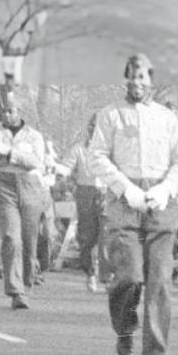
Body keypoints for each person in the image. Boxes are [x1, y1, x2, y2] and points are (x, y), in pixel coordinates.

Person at [89, 52, 178, 355]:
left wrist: (166, 189)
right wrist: (126, 189)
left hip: (160, 202)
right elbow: (97, 157)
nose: (136, 83)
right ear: (125, 79)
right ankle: (124, 330)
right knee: (130, 277)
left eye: (142, 77)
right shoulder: (111, 115)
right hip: (126, 203)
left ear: (151, 80)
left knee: (160, 281)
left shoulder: (166, 118)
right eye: (131, 77)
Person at [0, 88, 47, 312]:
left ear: (20, 111)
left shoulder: (34, 136)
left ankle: (27, 280)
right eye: (4, 112)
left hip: (30, 187)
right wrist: (0, 157)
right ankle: (16, 291)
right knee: (11, 237)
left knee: (29, 242)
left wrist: (10, 154)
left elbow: (36, 161)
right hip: (5, 186)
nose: (7, 116)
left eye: (11, 111)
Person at [63, 115, 106, 293]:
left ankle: (108, 276)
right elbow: (66, 168)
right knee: (87, 237)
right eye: (93, 127)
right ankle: (90, 273)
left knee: (107, 235)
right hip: (85, 193)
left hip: (106, 193)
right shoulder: (79, 150)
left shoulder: (112, 150)